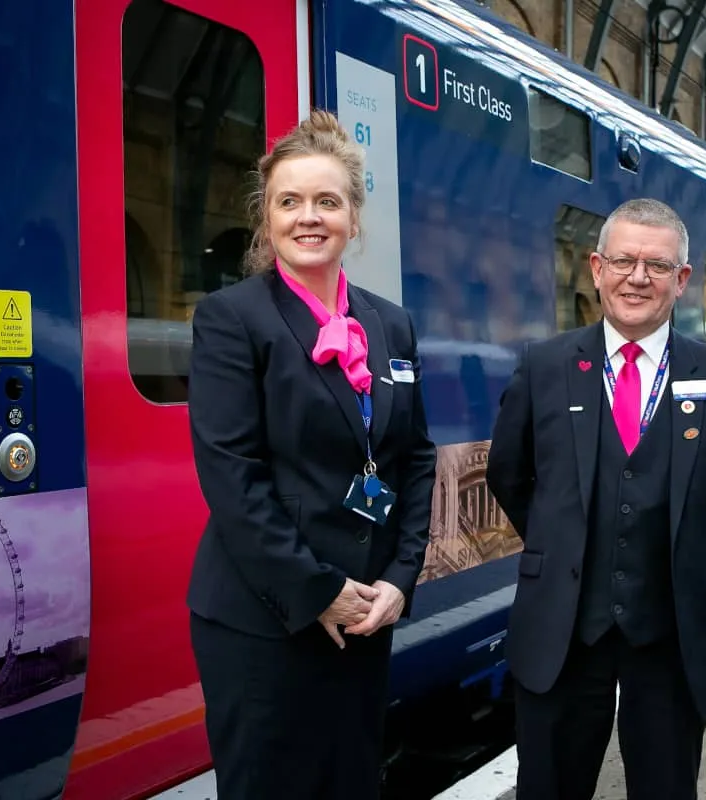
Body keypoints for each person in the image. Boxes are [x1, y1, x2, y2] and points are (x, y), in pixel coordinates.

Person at [184, 110, 437, 798]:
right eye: (288, 202)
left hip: (364, 614)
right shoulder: (233, 318)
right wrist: (319, 590)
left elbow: (414, 458)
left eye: (328, 201)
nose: (308, 217)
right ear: (266, 219)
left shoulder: (390, 324)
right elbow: (234, 480)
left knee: (351, 782)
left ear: (354, 218)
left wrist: (399, 578)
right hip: (265, 620)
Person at [486, 198, 706, 800]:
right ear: (596, 267)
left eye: (658, 266)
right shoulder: (544, 367)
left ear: (682, 279)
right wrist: (563, 543)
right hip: (561, 630)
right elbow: (510, 475)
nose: (638, 278)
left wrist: (677, 551)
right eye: (624, 261)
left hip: (669, 635)